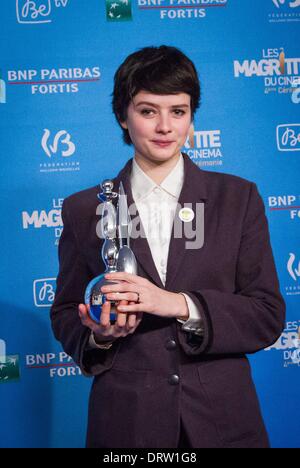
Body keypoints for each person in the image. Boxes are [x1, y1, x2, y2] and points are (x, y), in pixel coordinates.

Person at [50, 45, 285, 448]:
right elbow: (67, 311)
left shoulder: (238, 198)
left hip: (224, 423)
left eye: (178, 111)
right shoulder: (84, 208)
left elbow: (266, 313)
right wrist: (100, 335)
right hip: (126, 423)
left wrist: (178, 303)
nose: (165, 126)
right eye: (147, 111)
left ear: (192, 117)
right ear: (123, 116)